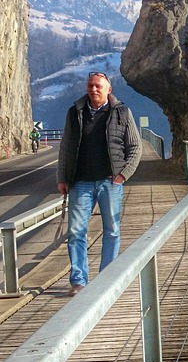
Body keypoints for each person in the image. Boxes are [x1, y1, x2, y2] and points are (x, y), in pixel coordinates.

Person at [57, 72, 142, 295]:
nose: (93, 89)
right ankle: (78, 281)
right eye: (90, 85)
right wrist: (62, 177)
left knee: (112, 230)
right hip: (80, 181)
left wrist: (124, 174)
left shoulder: (122, 112)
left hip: (110, 181)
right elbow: (65, 147)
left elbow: (135, 146)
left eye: (98, 86)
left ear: (108, 90)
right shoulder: (75, 112)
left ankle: (106, 278)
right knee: (76, 231)